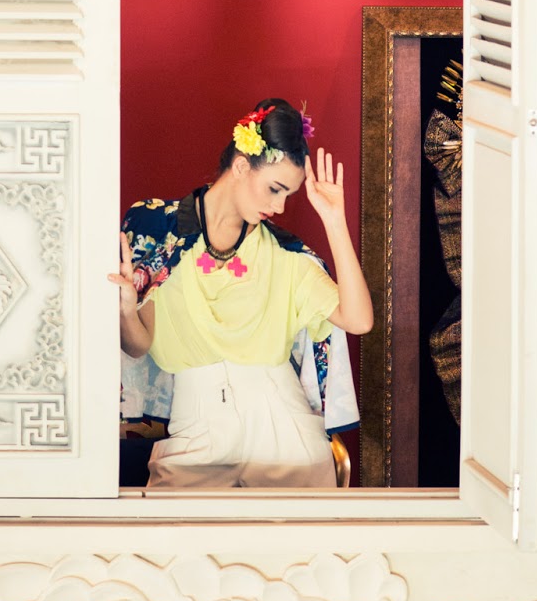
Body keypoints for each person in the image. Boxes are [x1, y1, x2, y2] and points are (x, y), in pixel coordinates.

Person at [110, 98, 373, 489]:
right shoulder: (159, 232)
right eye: (274, 189)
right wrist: (126, 311)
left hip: (284, 433)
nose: (279, 206)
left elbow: (358, 320)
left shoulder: (286, 255)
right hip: (195, 429)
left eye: (288, 195)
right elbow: (137, 346)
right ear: (240, 166)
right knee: (170, 529)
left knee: (306, 533)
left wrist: (334, 220)